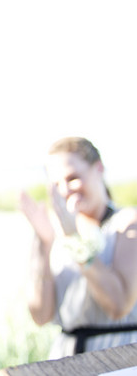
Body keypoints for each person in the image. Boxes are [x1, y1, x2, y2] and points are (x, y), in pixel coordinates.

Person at [19, 137, 137, 357]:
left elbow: (118, 305)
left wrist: (74, 238)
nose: (65, 191)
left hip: (119, 358)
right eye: (56, 184)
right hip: (68, 359)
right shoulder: (56, 230)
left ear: (98, 168)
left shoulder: (127, 223)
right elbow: (41, 315)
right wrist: (42, 245)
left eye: (73, 178)